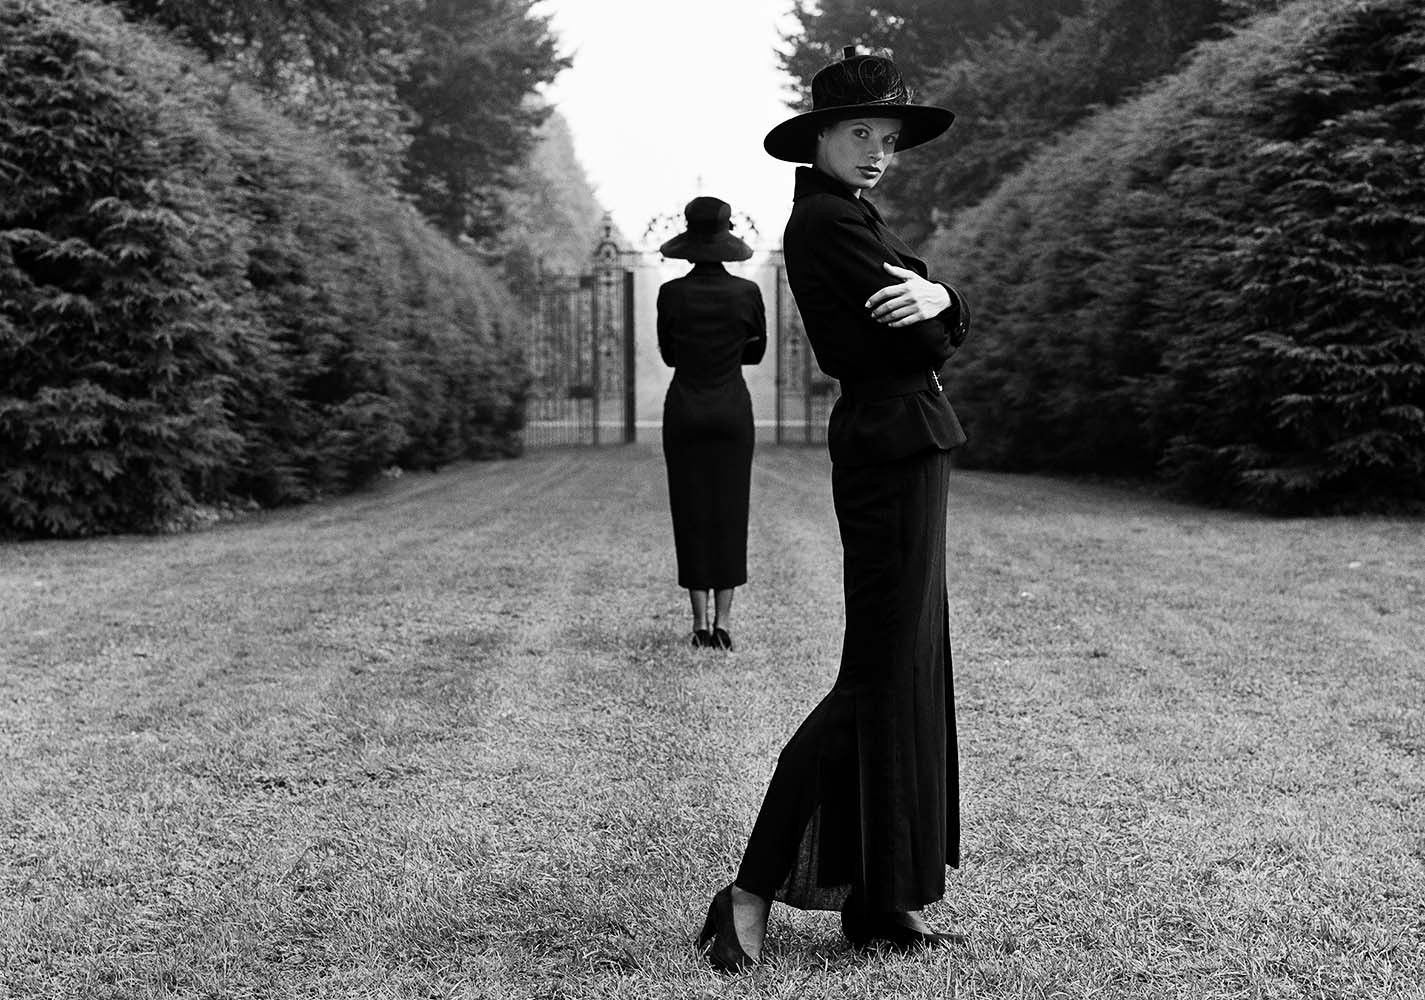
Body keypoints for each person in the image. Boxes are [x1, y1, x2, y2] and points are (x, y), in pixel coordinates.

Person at [696, 47, 971, 971]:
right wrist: (942, 305)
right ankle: (748, 887)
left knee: (905, 674)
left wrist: (943, 295)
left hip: (908, 444)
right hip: (890, 448)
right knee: (876, 680)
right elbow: (921, 336)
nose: (877, 151)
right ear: (817, 137)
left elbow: (935, 311)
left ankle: (881, 901)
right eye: (861, 133)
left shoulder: (857, 217)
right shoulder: (825, 223)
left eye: (888, 138)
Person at [656, 197, 767, 650]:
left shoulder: (671, 294)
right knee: (729, 510)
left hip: (684, 408)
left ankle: (699, 624)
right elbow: (756, 353)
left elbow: (668, 356)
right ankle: (724, 623)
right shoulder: (747, 294)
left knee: (691, 511)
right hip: (731, 410)